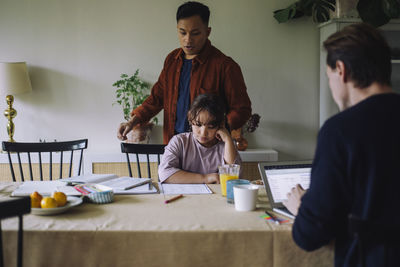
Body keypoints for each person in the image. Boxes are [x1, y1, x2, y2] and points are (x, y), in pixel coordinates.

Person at [283, 23, 400, 267]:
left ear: (341, 70)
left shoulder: (340, 131)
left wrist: (301, 206)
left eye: (328, 78)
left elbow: (310, 234)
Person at [117, 1, 251, 144]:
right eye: (182, 32)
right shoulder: (171, 61)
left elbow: (242, 109)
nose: (188, 40)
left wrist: (220, 128)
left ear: (207, 32)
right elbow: (156, 99)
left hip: (209, 150)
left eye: (195, 33)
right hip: (173, 146)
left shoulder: (225, 66)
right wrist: (132, 122)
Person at [158, 94, 241, 184]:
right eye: (198, 125)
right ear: (190, 118)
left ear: (220, 125)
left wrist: (228, 139)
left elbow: (235, 178)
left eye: (211, 126)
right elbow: (164, 173)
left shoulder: (226, 145)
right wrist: (205, 178)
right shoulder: (179, 141)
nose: (203, 133)